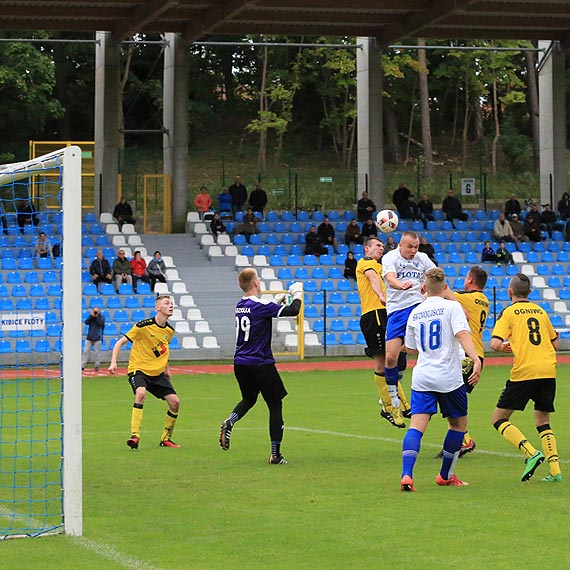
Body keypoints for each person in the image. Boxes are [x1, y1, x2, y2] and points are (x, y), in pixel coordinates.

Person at [400, 267, 481, 491]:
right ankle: (445, 475)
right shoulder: (452, 306)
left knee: (416, 426)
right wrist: (476, 359)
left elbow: (410, 348)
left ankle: (407, 475)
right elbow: (462, 334)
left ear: (424, 288)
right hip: (448, 378)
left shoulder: (415, 312)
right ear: (445, 287)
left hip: (423, 376)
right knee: (458, 425)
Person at [218, 270, 303, 464]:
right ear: (256, 282)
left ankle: (230, 421)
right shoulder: (261, 305)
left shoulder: (239, 305)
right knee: (275, 404)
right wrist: (297, 294)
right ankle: (275, 454)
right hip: (260, 362)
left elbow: (260, 313)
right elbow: (293, 311)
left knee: (249, 398)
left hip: (240, 362)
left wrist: (276, 302)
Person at [490, 273, 562, 483]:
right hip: (548, 370)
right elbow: (555, 344)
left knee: (499, 418)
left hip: (525, 371)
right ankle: (556, 472)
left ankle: (531, 453)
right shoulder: (541, 311)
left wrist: (504, 348)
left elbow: (495, 343)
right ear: (529, 292)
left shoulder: (509, 312)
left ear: (510, 292)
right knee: (543, 421)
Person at [108, 295, 181, 450]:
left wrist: (166, 368)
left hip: (157, 374)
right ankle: (135, 436)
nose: (171, 306)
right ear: (158, 307)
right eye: (167, 303)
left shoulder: (169, 330)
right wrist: (113, 362)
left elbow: (163, 350)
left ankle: (166, 439)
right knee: (140, 393)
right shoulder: (143, 326)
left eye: (171, 303)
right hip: (139, 370)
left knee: (175, 403)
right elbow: (119, 343)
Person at [382, 231, 436, 427]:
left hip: (418, 307)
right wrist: (401, 285)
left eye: (416, 247)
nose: (413, 251)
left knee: (427, 349)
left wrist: (428, 285)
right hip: (397, 311)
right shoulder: (390, 257)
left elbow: (437, 276)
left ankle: (433, 389)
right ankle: (391, 397)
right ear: (400, 245)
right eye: (410, 247)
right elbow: (390, 279)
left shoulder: (422, 258)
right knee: (390, 357)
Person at [356, 237, 410, 427]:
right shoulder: (365, 263)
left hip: (389, 313)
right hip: (375, 314)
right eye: (377, 246)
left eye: (381, 246)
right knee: (383, 362)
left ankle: (393, 400)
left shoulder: (385, 266)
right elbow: (372, 278)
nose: (381, 248)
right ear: (366, 248)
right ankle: (392, 406)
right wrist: (380, 295)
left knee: (398, 357)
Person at [437, 266, 489, 458]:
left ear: (471, 280)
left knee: (450, 395)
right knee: (451, 396)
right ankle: (460, 439)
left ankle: (464, 440)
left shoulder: (465, 298)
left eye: (466, 277)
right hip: (477, 353)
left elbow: (444, 293)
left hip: (466, 354)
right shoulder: (483, 300)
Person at [81, 306, 105, 372]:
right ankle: (82, 365)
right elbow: (86, 322)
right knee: (85, 352)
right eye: (94, 311)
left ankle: (97, 366)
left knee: (97, 353)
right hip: (89, 337)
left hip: (98, 337)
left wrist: (96, 316)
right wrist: (91, 316)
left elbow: (100, 323)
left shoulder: (102, 317)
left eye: (96, 311)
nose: (95, 312)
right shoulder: (91, 317)